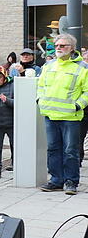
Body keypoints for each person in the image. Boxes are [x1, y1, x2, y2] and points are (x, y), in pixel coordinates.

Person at [37, 33, 88, 194]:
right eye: (57, 45)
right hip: (50, 115)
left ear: (72, 48)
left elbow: (87, 92)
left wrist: (77, 106)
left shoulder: (82, 68)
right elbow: (41, 86)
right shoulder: (49, 66)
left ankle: (71, 181)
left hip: (70, 117)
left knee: (70, 151)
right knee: (52, 149)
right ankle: (56, 180)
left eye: (62, 46)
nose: (58, 48)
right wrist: (40, 100)